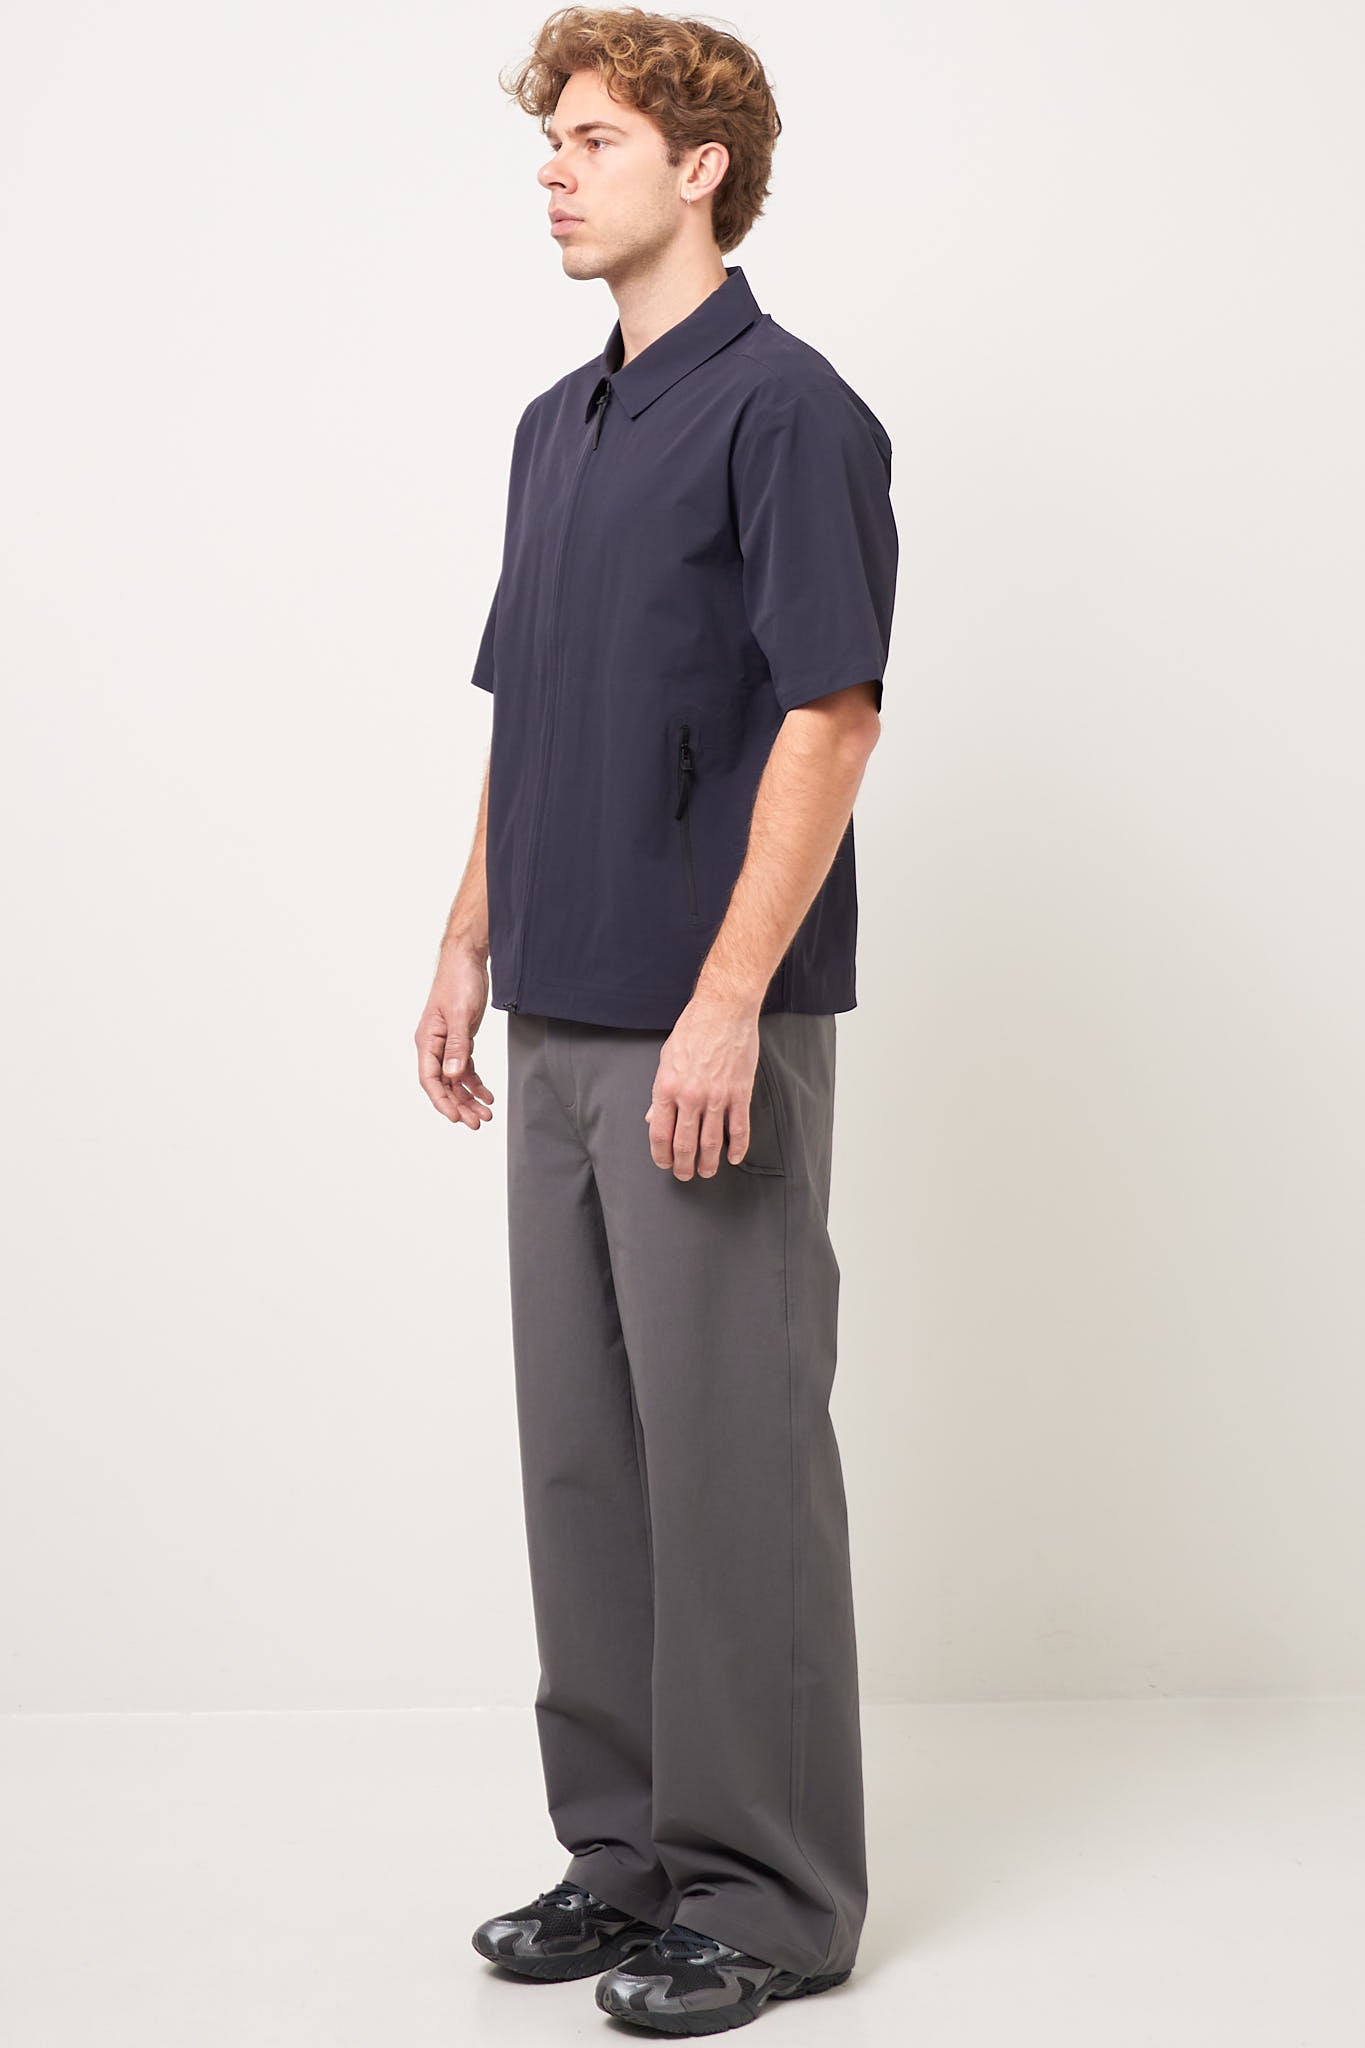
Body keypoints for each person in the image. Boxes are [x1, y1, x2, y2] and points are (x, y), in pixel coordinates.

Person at [414, 8, 898, 2034]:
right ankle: (623, 1860)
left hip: (707, 1025)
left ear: (700, 169)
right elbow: (523, 707)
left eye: (593, 138)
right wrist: (466, 940)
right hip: (557, 1006)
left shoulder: (789, 413)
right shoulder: (559, 425)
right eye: (551, 140)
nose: (554, 168)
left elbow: (829, 715)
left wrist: (725, 1000)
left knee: (728, 1459)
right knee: (586, 1463)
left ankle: (768, 1896)